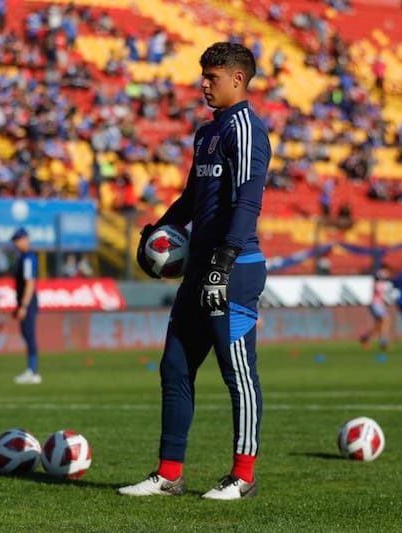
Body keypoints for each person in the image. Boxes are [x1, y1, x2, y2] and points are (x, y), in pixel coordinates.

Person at [118, 42, 271, 500]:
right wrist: (158, 230)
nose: (203, 84)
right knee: (175, 367)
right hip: (199, 270)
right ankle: (169, 474)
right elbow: (191, 198)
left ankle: (243, 477)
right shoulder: (207, 133)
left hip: (234, 270)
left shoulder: (246, 130)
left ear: (238, 79)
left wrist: (224, 261)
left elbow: (248, 203)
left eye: (212, 76)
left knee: (237, 374)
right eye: (203, 75)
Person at [11, 227, 41, 384]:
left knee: (29, 335)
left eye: (18, 240)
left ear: (26, 240)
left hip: (27, 303)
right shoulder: (24, 257)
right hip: (25, 302)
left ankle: (33, 371)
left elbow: (30, 283)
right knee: (26, 334)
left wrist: (23, 305)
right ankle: (31, 369)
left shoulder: (28, 259)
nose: (16, 244)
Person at [360, 267, 390, 350]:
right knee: (385, 321)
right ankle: (383, 342)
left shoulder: (382, 283)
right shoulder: (378, 283)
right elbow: (378, 290)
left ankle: (366, 337)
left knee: (380, 324)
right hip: (376, 304)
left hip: (380, 304)